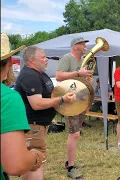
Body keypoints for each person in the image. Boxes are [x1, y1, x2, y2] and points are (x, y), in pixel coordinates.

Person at [14, 46, 76, 180]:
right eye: (43, 57)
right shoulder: (30, 75)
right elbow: (36, 104)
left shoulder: (40, 73)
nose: (46, 59)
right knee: (36, 162)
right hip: (33, 126)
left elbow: (49, 94)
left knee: (31, 163)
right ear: (32, 60)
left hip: (38, 126)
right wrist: (61, 99)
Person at [1, 33, 44, 179]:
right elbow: (16, 165)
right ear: (9, 64)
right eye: (43, 57)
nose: (46, 60)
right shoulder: (8, 98)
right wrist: (35, 156)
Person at [56, 37, 93, 179]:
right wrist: (78, 73)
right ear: (75, 46)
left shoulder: (83, 59)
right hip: (70, 100)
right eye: (83, 44)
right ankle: (70, 168)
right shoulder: (67, 58)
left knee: (76, 132)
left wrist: (87, 79)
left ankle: (70, 162)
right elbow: (59, 76)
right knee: (74, 133)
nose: (85, 46)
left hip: (82, 99)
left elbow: (82, 79)